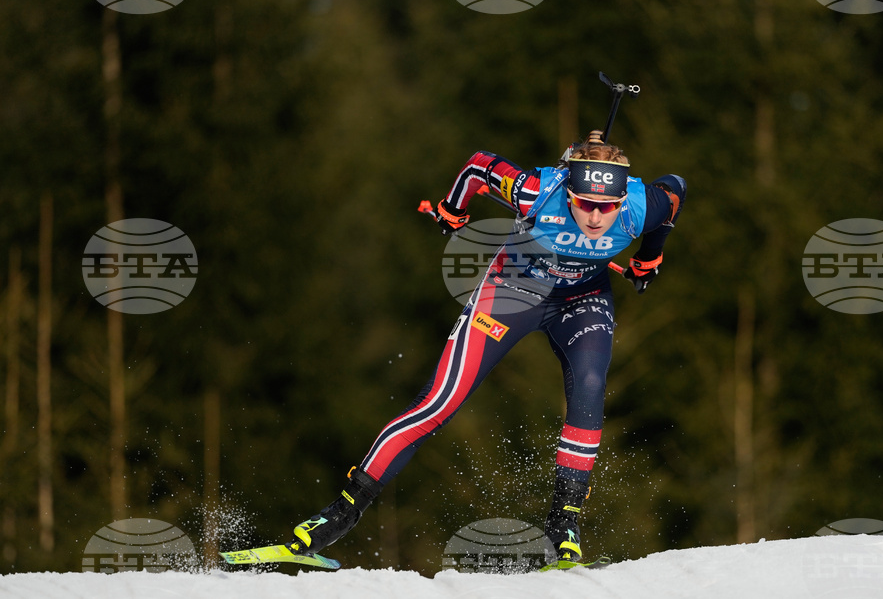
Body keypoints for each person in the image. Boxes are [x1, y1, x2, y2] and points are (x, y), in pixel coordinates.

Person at [288, 130, 686, 564]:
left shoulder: (641, 205)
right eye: (584, 203)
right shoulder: (535, 191)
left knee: (590, 385)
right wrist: (453, 208)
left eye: (607, 207)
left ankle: (564, 526)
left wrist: (650, 256)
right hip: (512, 289)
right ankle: (338, 515)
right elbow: (478, 165)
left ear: (621, 200)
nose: (595, 217)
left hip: (582, 298)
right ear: (568, 192)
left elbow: (675, 191)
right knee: (440, 401)